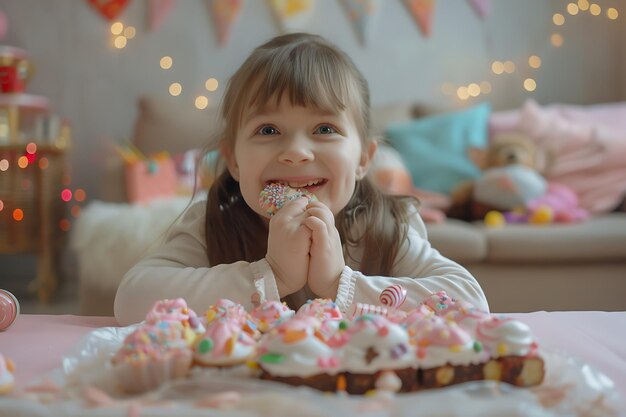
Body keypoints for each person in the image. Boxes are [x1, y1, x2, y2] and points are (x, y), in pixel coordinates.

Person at [114, 33, 488, 326]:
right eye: (268, 129)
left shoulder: (387, 226)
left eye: (324, 128)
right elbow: (131, 299)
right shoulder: (213, 222)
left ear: (362, 159)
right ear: (234, 161)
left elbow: (470, 301)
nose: (295, 152)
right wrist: (269, 276)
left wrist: (342, 285)